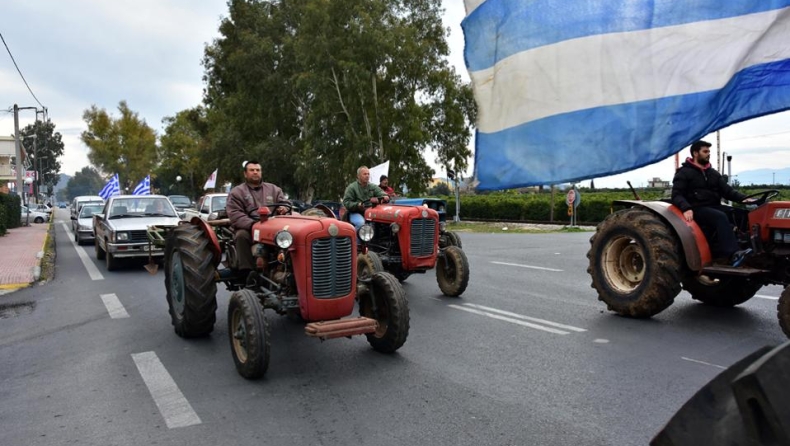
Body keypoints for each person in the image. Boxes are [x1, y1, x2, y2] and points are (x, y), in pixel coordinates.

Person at [671, 140, 755, 266]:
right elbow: (676, 195)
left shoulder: (713, 173)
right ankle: (731, 254)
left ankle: (749, 249)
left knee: (741, 214)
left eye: (709, 152)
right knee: (719, 217)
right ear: (695, 153)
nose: (708, 154)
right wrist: (686, 208)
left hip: (714, 206)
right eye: (705, 151)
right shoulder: (684, 173)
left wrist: (745, 199)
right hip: (696, 208)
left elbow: (728, 191)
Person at [226, 160, 289, 273]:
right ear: (245, 174)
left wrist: (284, 208)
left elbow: (285, 204)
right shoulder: (237, 192)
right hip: (249, 228)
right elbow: (235, 214)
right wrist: (254, 225)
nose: (255, 172)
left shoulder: (274, 189)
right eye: (252, 170)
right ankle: (247, 272)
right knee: (241, 236)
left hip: (273, 227)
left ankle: (285, 266)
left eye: (258, 170)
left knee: (289, 235)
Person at [343, 166, 390, 230]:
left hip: (371, 212)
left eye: (368, 174)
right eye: (364, 174)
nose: (367, 176)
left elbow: (381, 193)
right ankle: (357, 239)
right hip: (356, 212)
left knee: (383, 222)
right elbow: (346, 202)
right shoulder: (352, 187)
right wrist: (357, 205)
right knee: (361, 223)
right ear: (358, 176)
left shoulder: (373, 186)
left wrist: (385, 196)